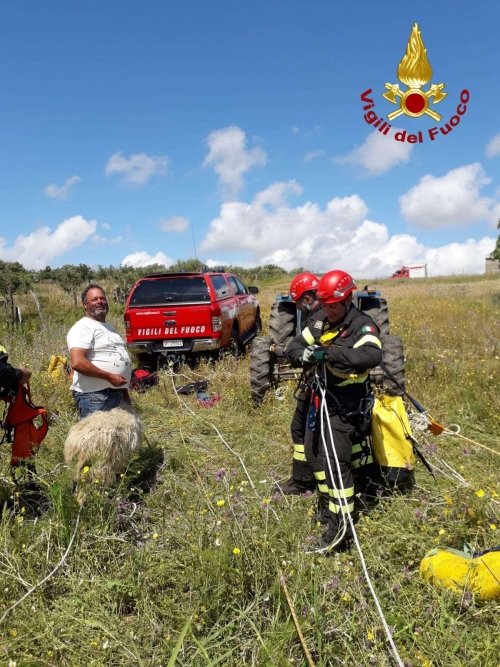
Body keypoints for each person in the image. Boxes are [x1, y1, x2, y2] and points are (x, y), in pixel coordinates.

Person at [286, 270, 382, 552]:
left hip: (345, 406)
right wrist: (302, 354)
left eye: (333, 306)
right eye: (324, 305)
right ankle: (330, 511)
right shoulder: (319, 322)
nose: (327, 311)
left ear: (348, 299)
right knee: (314, 452)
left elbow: (370, 355)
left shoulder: (362, 326)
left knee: (336, 466)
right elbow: (294, 346)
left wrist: (326, 353)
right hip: (320, 399)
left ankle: (342, 530)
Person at [278, 272, 325, 495]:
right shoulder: (319, 316)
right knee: (300, 429)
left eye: (297, 302)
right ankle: (302, 479)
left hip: (321, 387)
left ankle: (308, 482)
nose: (296, 308)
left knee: (305, 432)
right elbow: (294, 348)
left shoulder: (319, 319)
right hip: (314, 383)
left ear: (307, 298)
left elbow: (293, 349)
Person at [67, 284, 132, 419]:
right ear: (85, 304)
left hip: (115, 393)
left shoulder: (108, 328)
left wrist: (125, 394)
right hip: (96, 397)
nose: (100, 302)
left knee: (116, 438)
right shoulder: (83, 327)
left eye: (102, 298)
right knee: (96, 438)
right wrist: (110, 377)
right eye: (94, 299)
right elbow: (78, 363)